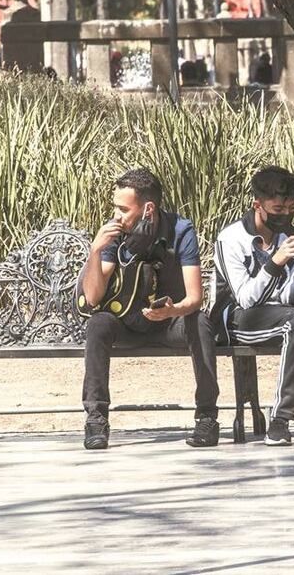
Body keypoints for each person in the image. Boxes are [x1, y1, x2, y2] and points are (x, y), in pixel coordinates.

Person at [77, 168, 220, 450]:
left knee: (200, 322)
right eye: (115, 208)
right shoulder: (114, 232)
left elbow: (195, 298)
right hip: (126, 324)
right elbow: (92, 298)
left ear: (148, 209)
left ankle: (207, 417)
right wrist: (95, 250)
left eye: (123, 209)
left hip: (169, 323)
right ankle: (96, 419)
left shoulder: (180, 230)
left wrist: (172, 311)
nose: (117, 216)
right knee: (98, 323)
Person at [211, 166, 294, 446]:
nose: (285, 215)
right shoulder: (230, 239)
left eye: (291, 208)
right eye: (278, 208)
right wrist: (276, 261)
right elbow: (246, 299)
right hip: (236, 320)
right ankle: (280, 419)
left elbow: (292, 299)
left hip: (282, 314)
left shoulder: (291, 235)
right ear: (257, 205)